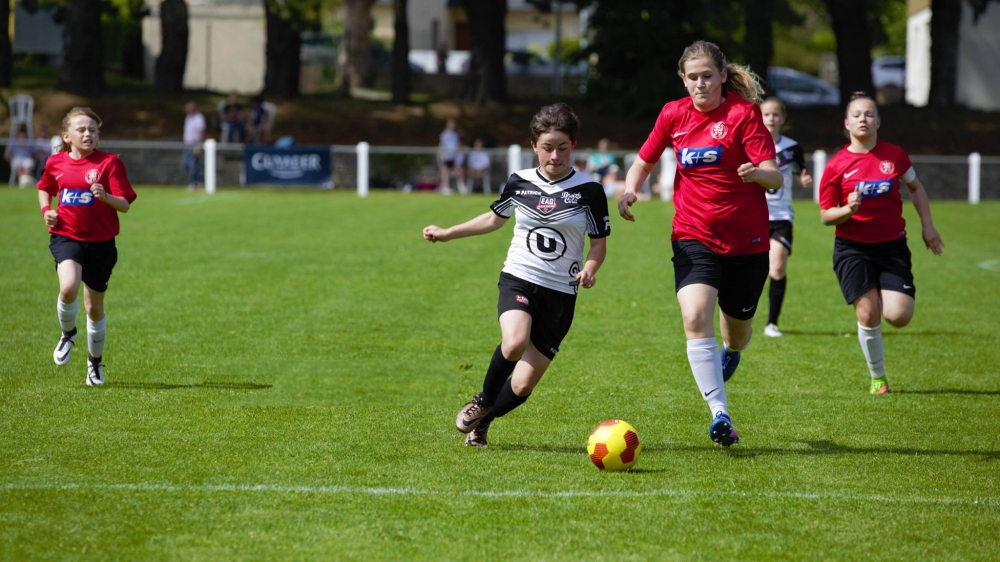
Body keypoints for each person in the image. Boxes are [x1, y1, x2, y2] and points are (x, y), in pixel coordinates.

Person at [618, 40, 782, 447]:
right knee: (694, 316)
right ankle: (720, 414)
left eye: (707, 76)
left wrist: (755, 174)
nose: (700, 84)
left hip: (747, 242)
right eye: (692, 77)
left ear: (723, 76)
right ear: (683, 79)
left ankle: (731, 350)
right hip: (693, 234)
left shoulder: (744, 115)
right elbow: (644, 160)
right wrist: (629, 189)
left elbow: (775, 176)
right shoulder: (673, 114)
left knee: (737, 333)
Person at [423, 103, 611, 447]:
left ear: (573, 145)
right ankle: (482, 400)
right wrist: (448, 233)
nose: (555, 156)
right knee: (514, 342)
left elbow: (598, 246)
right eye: (547, 147)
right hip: (519, 277)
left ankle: (484, 422)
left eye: (563, 147)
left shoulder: (590, 191)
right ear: (534, 146)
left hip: (560, 295)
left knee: (523, 385)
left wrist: (590, 268)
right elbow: (493, 219)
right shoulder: (520, 182)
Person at [819, 91, 944, 395]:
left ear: (878, 121)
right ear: (847, 123)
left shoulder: (894, 156)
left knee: (899, 316)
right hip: (852, 247)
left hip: (891, 246)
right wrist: (848, 210)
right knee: (867, 312)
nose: (863, 119)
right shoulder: (836, 165)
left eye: (869, 114)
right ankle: (878, 378)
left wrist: (927, 226)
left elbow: (915, 188)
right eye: (856, 115)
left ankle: (880, 293)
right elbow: (826, 215)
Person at [36, 107, 137, 386]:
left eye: (92, 129)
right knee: (68, 286)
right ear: (66, 136)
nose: (88, 134)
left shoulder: (110, 163)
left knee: (94, 308)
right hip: (66, 236)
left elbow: (125, 204)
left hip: (101, 244)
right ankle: (68, 333)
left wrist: (105, 196)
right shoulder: (56, 162)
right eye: (81, 129)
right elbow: (44, 187)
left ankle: (94, 362)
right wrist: (46, 211)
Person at [759, 97, 813, 337]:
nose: (771, 118)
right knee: (750, 268)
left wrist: (805, 179)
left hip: (781, 215)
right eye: (766, 114)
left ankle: (772, 323)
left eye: (775, 114)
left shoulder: (792, 147)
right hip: (754, 214)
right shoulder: (751, 144)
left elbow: (802, 171)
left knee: (778, 266)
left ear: (783, 118)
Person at [437, 118, 466, 195]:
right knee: (444, 170)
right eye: (450, 124)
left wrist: (457, 160)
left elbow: (457, 147)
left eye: (453, 124)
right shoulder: (444, 134)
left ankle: (462, 188)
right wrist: (444, 156)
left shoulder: (455, 135)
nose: (452, 126)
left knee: (460, 170)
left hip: (453, 158)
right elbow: (442, 145)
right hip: (446, 157)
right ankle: (445, 187)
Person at [182, 101, 206, 190]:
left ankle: (194, 183)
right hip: (187, 144)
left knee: (193, 164)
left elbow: (201, 132)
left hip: (194, 144)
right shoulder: (188, 117)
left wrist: (198, 145)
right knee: (185, 164)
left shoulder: (199, 118)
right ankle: (202, 178)